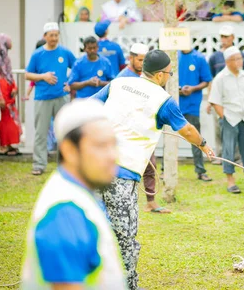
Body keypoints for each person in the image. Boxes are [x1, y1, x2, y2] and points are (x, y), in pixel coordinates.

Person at [91, 49, 215, 290]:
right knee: (125, 235)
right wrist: (204, 145)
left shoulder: (119, 83)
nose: (169, 77)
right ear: (160, 75)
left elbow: (89, 104)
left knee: (93, 224)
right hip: (121, 174)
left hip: (94, 165)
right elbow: (187, 130)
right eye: (169, 73)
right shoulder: (163, 99)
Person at [21, 99, 127, 289]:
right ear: (69, 150)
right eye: (101, 146)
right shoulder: (64, 214)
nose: (113, 156)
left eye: (114, 144)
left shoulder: (80, 193)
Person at [116, 43, 170, 214]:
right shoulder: (123, 78)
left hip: (145, 129)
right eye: (139, 59)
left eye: (144, 60)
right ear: (130, 58)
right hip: (126, 131)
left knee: (150, 164)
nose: (141, 63)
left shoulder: (151, 77)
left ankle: (150, 201)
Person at [26, 22, 76, 176]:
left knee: (64, 130)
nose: (54, 38)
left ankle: (65, 164)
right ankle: (39, 164)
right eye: (51, 35)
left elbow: (76, 67)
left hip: (61, 97)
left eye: (56, 35)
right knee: (41, 132)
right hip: (42, 97)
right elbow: (28, 74)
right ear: (45, 36)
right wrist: (43, 77)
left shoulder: (65, 52)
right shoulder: (37, 54)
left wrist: (70, 82)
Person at [208, 46, 244, 193]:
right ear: (227, 62)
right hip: (230, 118)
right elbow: (215, 101)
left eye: (240, 58)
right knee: (228, 150)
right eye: (235, 59)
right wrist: (224, 117)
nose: (238, 62)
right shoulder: (220, 78)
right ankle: (230, 181)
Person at [207, 25, 244, 165]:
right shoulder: (214, 57)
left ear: (233, 37)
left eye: (226, 36)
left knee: (238, 129)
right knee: (219, 129)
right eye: (222, 36)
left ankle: (237, 158)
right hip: (219, 99)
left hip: (236, 100)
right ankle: (220, 156)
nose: (224, 39)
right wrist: (209, 100)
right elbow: (210, 80)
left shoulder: (241, 56)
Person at [179, 47, 213, 181]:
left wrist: (193, 88)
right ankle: (165, 169)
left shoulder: (199, 58)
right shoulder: (173, 56)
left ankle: (200, 170)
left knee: (196, 137)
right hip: (173, 103)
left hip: (192, 105)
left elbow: (206, 80)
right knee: (169, 139)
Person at [0, 34, 22, 157]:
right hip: (3, 91)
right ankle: (2, 146)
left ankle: (9, 144)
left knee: (11, 117)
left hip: (9, 89)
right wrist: (0, 97)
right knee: (5, 117)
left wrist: (15, 87)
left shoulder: (6, 58)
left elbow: (9, 74)